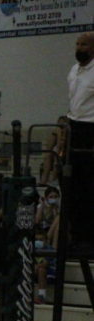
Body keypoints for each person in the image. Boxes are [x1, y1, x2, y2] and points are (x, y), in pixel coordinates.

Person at [66, 32, 94, 251]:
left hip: (90, 127)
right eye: (77, 43)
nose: (79, 47)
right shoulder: (74, 70)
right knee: (73, 184)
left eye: (83, 44)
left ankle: (87, 236)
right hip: (74, 125)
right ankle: (75, 234)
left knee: (88, 184)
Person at [41, 116, 68, 186]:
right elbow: (50, 147)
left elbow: (62, 144)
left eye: (62, 122)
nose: (60, 124)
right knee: (49, 155)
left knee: (57, 156)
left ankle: (54, 179)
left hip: (66, 151)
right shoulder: (58, 130)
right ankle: (44, 180)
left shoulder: (68, 130)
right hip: (58, 150)